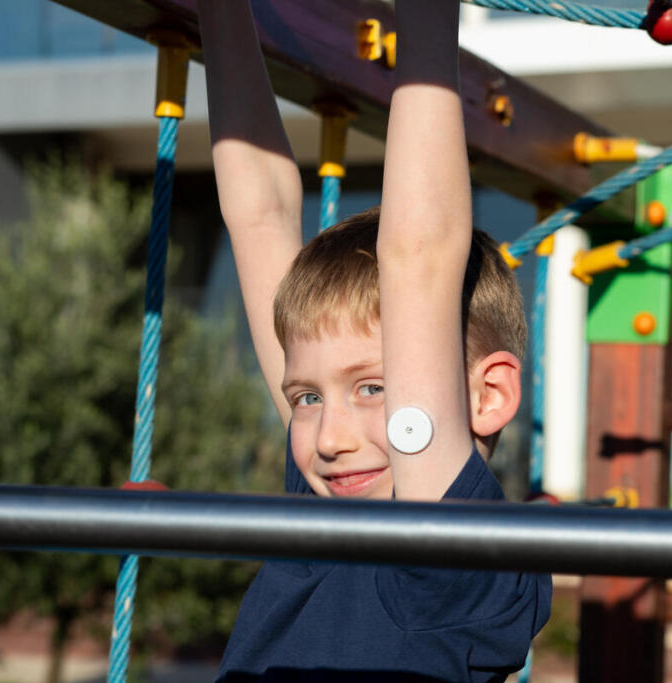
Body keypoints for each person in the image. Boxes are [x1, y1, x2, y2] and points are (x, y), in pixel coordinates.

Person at [198, 0, 551, 680]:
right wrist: (222, 14)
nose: (329, 436)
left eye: (371, 387)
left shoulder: (455, 560)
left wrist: (425, 18)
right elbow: (261, 218)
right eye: (305, 397)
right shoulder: (333, 503)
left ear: (489, 394)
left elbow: (419, 258)